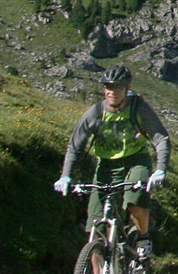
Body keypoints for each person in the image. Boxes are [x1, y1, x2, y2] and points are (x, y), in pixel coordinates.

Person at [55, 65, 170, 263]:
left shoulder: (138, 107)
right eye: (108, 87)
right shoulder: (95, 113)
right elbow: (75, 147)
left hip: (136, 161)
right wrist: (66, 176)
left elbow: (160, 138)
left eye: (117, 87)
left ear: (126, 89)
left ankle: (142, 238)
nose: (112, 92)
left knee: (136, 199)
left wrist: (160, 170)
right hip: (106, 166)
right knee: (94, 228)